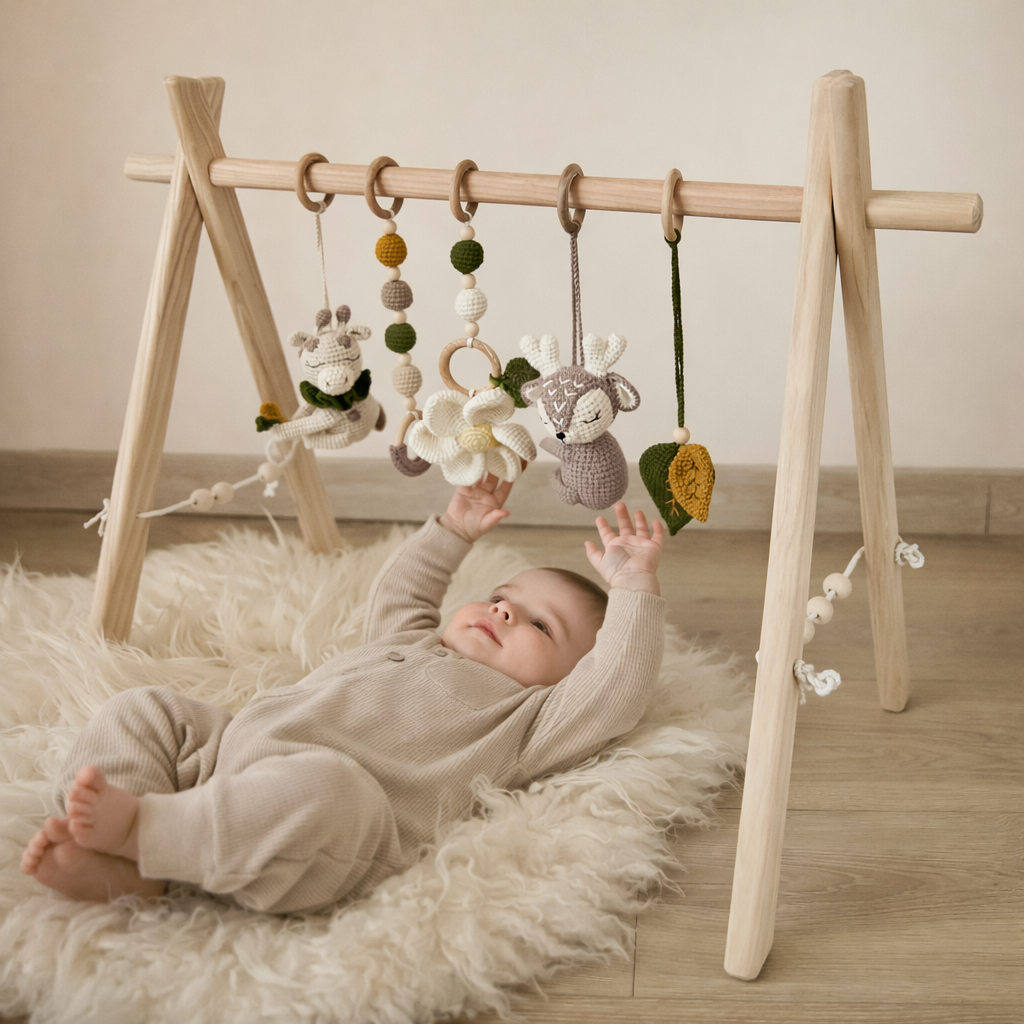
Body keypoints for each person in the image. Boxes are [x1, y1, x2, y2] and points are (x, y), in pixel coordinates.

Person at [22, 475, 665, 913]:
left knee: (325, 785)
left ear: (566, 680)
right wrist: (453, 529)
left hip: (338, 827)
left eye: (539, 626)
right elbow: (400, 591)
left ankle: (150, 835)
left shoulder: (529, 719)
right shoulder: (410, 640)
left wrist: (634, 584)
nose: (503, 614)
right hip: (229, 755)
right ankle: (125, 845)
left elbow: (615, 688)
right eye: (501, 599)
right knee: (145, 709)